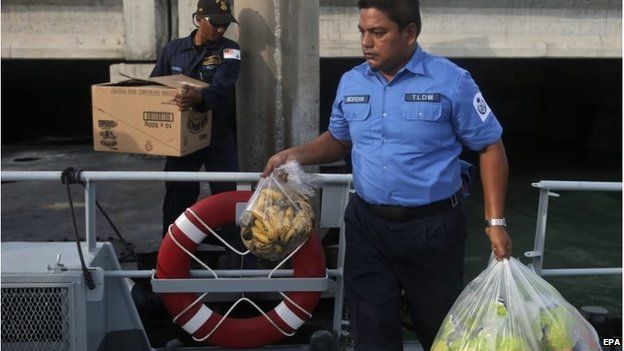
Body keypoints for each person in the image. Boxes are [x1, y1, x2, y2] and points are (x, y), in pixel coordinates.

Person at [262, 1, 512, 350]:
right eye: (362, 31)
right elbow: (338, 140)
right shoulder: (351, 82)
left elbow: (490, 146)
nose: (367, 41)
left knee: (441, 331)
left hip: (433, 229)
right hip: (368, 228)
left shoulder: (452, 81)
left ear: (409, 33)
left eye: (378, 32)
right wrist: (295, 155)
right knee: (371, 332)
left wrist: (495, 221)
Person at [151, 0, 241, 237]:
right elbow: (154, 87)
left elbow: (224, 87)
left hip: (218, 137)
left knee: (227, 198)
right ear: (199, 19)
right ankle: (173, 256)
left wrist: (198, 98)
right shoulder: (173, 50)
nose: (221, 30)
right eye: (216, 24)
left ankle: (236, 261)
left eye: (225, 25)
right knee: (178, 197)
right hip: (182, 140)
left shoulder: (230, 50)